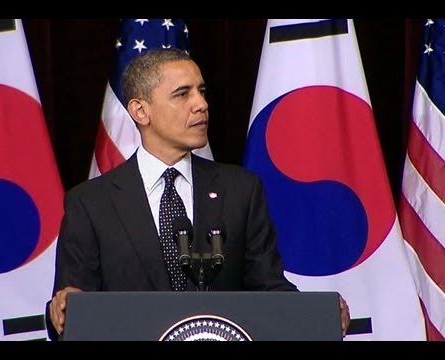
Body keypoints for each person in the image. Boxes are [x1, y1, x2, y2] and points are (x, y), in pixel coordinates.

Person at [46, 48, 350, 340]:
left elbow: (270, 289)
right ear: (140, 110)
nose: (201, 104)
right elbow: (72, 307)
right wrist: (62, 309)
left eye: (201, 91)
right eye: (182, 94)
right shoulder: (90, 203)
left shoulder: (241, 190)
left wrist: (318, 313)